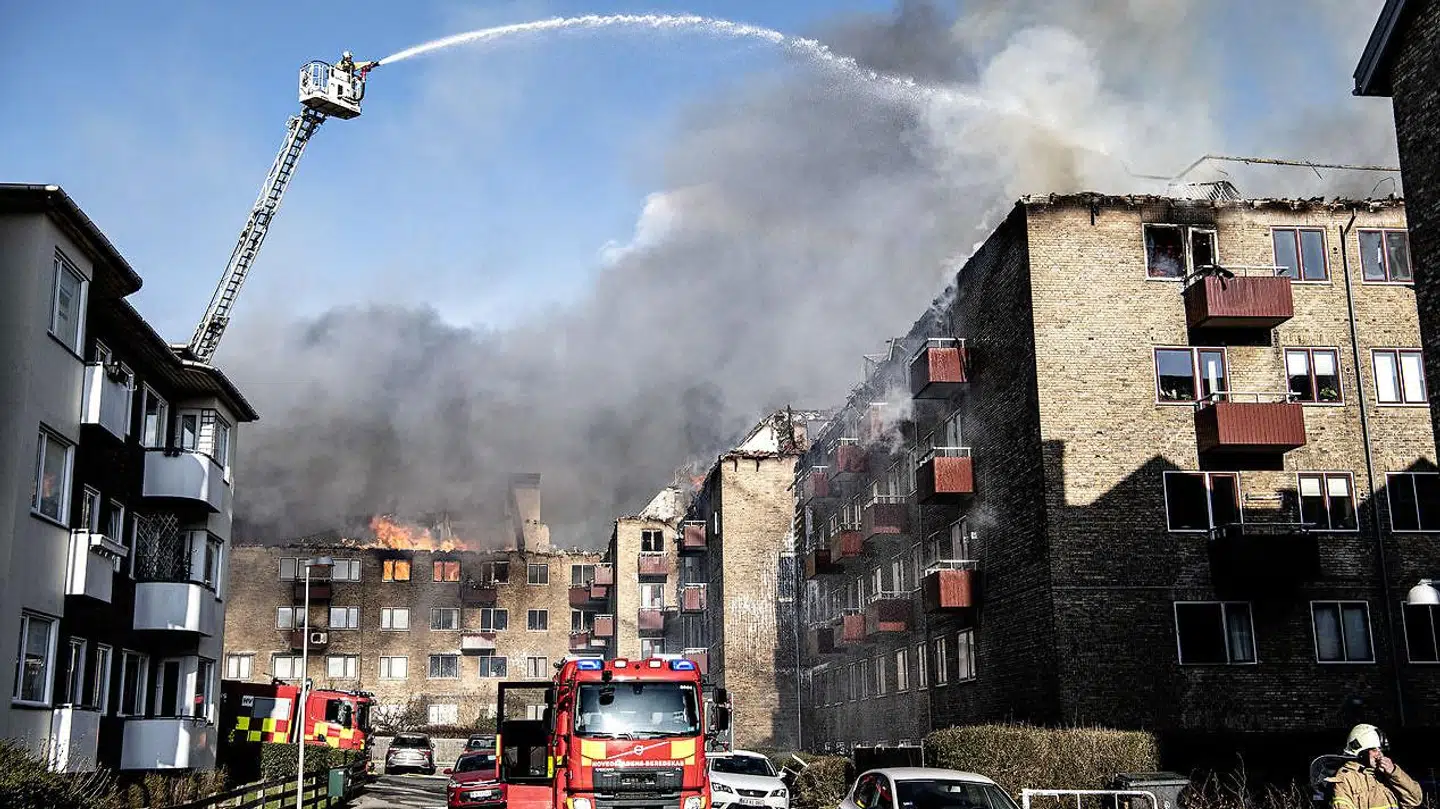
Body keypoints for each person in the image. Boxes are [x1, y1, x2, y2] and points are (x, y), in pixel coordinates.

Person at [1329, 724, 1423, 809]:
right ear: (1360, 752)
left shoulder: (1386, 775)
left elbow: (1415, 800)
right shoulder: (1346, 778)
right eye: (1374, 750)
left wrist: (1394, 773)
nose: (1380, 754)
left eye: (1380, 750)